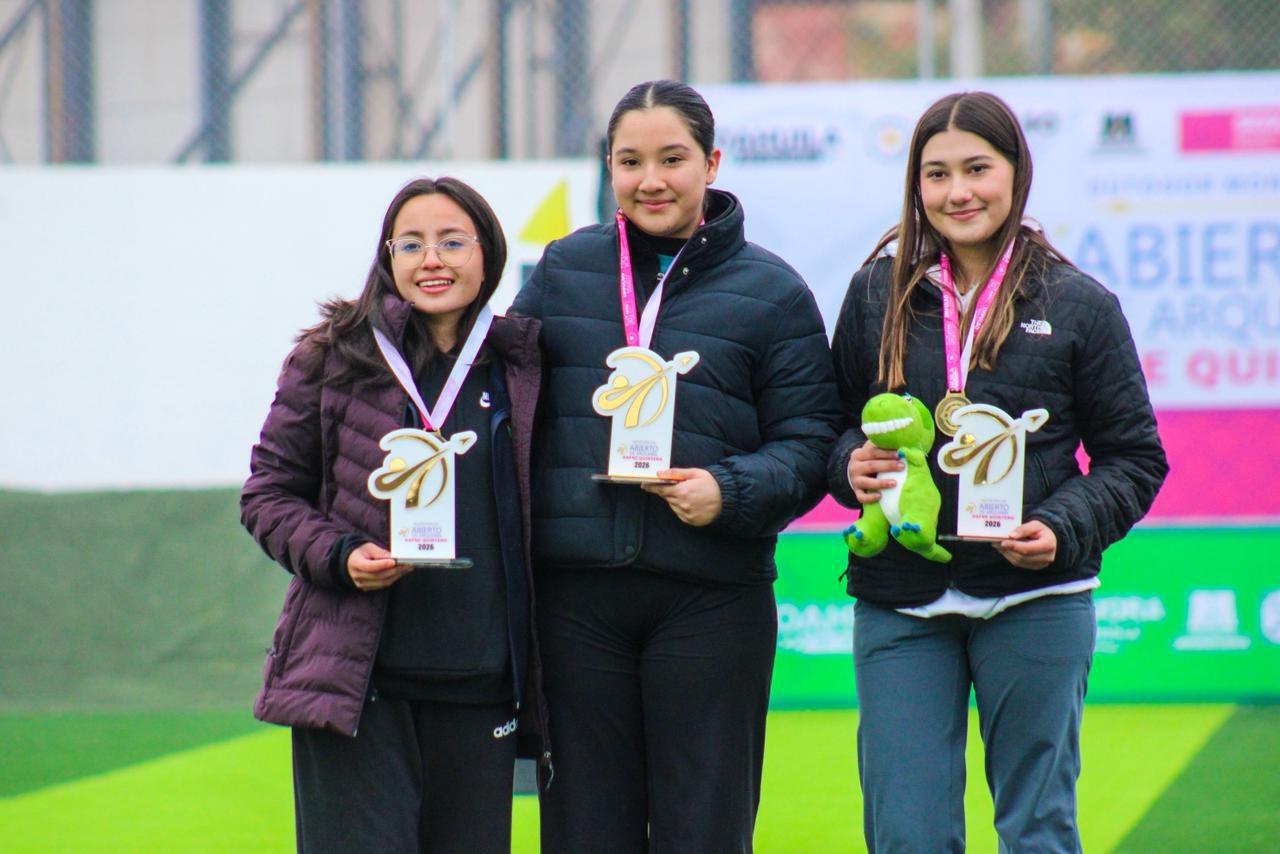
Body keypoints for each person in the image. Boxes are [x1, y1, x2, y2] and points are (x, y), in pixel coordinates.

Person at [828, 91, 1168, 852]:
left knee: (1037, 829)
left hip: (1035, 597)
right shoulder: (876, 293)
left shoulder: (1079, 303)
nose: (959, 192)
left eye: (977, 168)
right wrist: (848, 464)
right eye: (937, 174)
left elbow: (1135, 458)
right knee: (907, 834)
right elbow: (831, 423)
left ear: (1017, 171)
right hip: (902, 598)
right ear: (916, 185)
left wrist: (1061, 527)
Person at [511, 79, 841, 852]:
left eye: (672, 158)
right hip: (577, 604)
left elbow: (811, 444)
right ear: (609, 168)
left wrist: (729, 490)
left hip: (711, 598)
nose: (650, 180)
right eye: (630, 161)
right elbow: (507, 405)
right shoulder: (563, 270)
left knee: (706, 830)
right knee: (586, 832)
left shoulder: (772, 291)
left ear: (711, 164)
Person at [240, 177, 548, 852]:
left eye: (451, 242)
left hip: (481, 683)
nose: (430, 260)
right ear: (388, 257)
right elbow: (267, 494)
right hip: (358, 688)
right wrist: (339, 554)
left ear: (488, 254)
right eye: (410, 244)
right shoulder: (333, 356)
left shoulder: (519, 364)